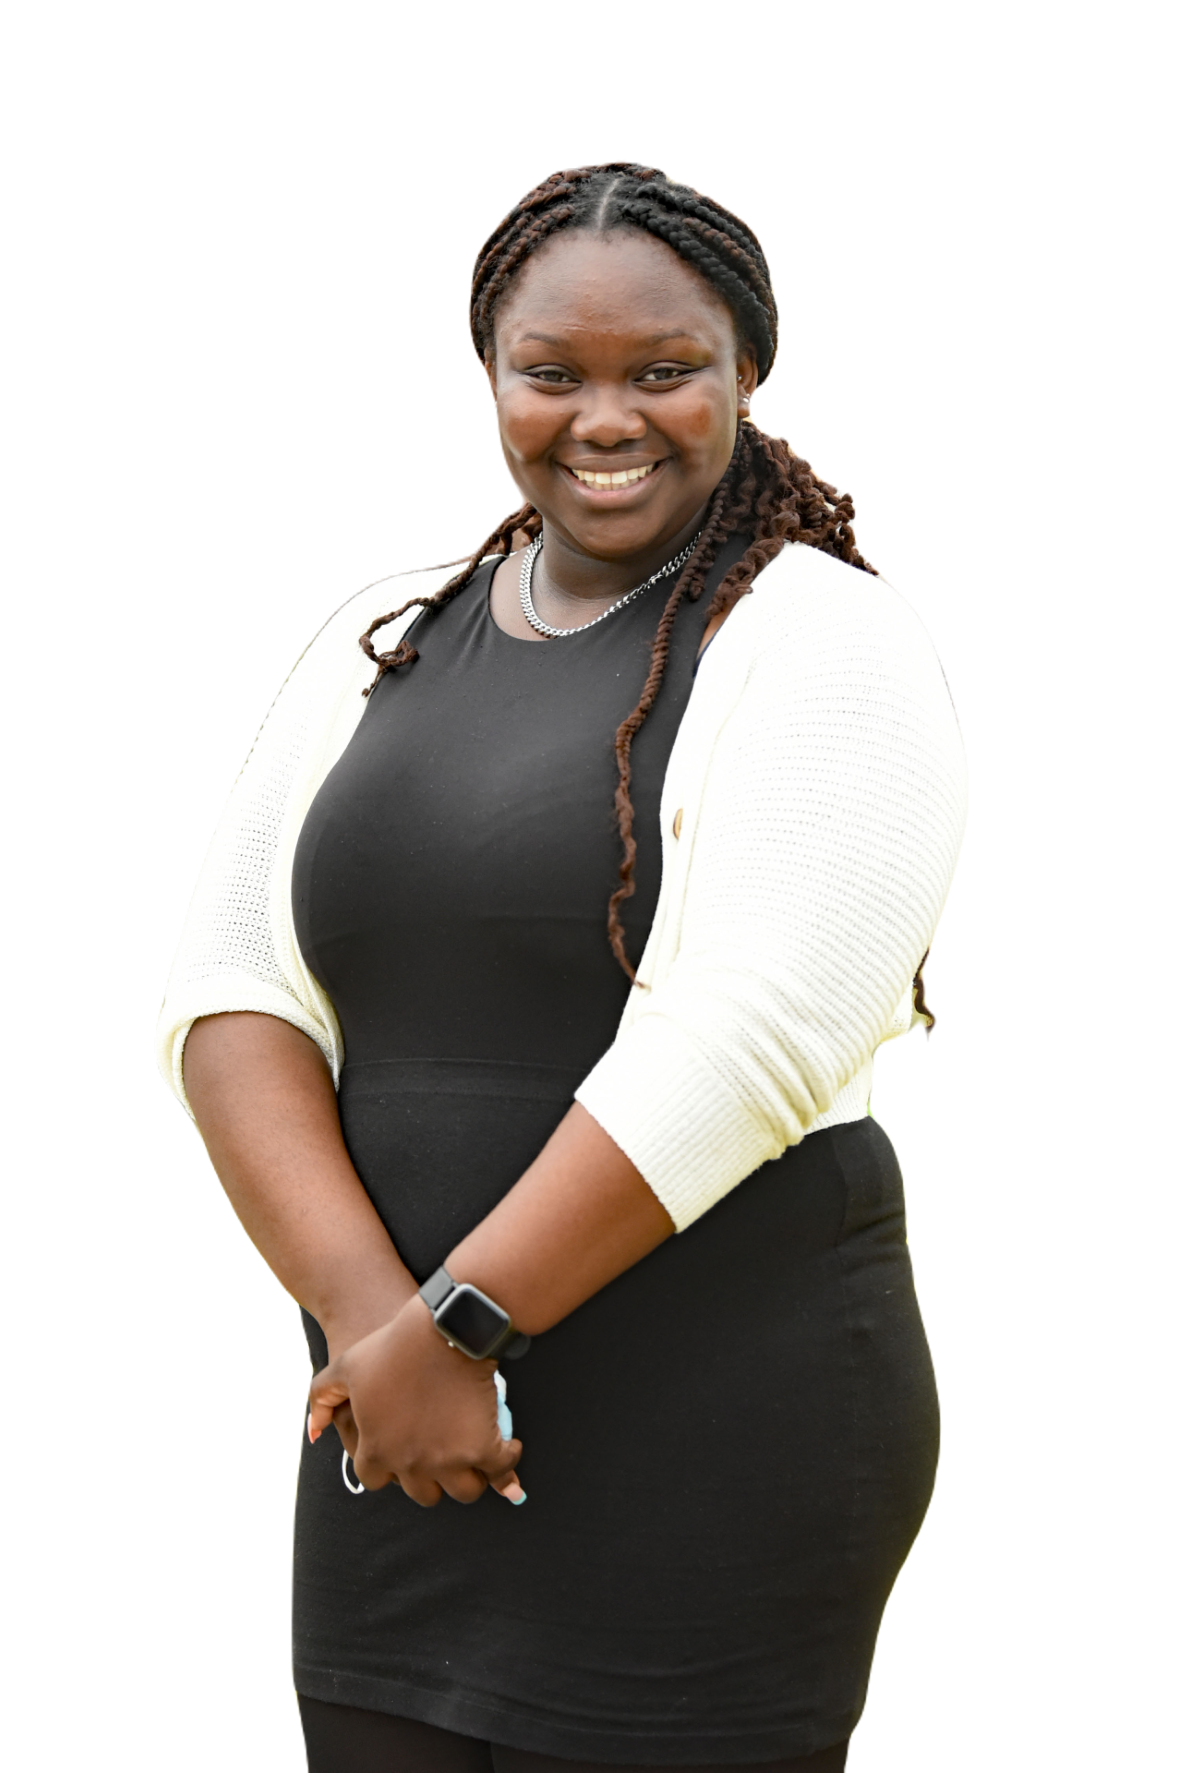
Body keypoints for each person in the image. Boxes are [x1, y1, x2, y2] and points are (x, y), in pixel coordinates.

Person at [156, 160, 969, 1773]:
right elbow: (229, 989)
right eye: (555, 374)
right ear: (493, 379)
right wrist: (375, 1337)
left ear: (746, 372)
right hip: (395, 1439)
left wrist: (460, 1329)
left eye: (664, 372)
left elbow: (742, 1042)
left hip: (721, 1424)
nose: (607, 419)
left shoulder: (828, 639)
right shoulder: (383, 633)